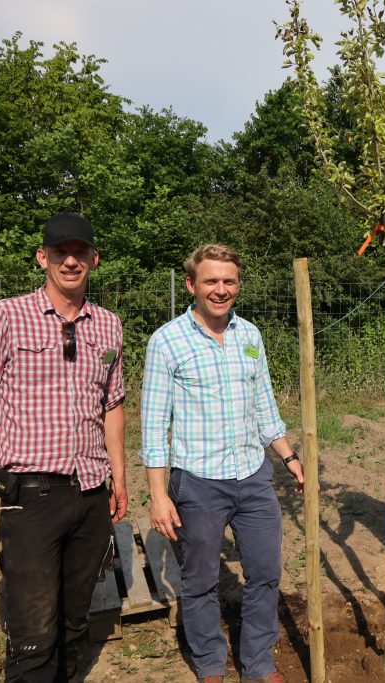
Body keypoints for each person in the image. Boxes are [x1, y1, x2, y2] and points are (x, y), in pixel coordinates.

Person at [0, 212, 128, 682]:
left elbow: (112, 406)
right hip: (31, 497)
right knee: (33, 632)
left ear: (95, 259)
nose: (71, 261)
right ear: (42, 258)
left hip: (90, 493)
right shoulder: (6, 316)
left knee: (74, 622)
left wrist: (120, 478)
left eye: (80, 252)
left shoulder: (108, 325)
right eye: (61, 252)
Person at [139, 244, 304, 683]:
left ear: (238, 286)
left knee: (265, 573)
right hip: (198, 482)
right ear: (191, 285)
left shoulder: (250, 336)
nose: (220, 289)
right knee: (201, 580)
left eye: (229, 281)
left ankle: (258, 664)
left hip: (253, 476)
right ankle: (211, 664)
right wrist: (158, 496)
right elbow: (153, 427)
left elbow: (265, 406)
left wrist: (288, 456)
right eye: (210, 280)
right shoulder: (167, 341)